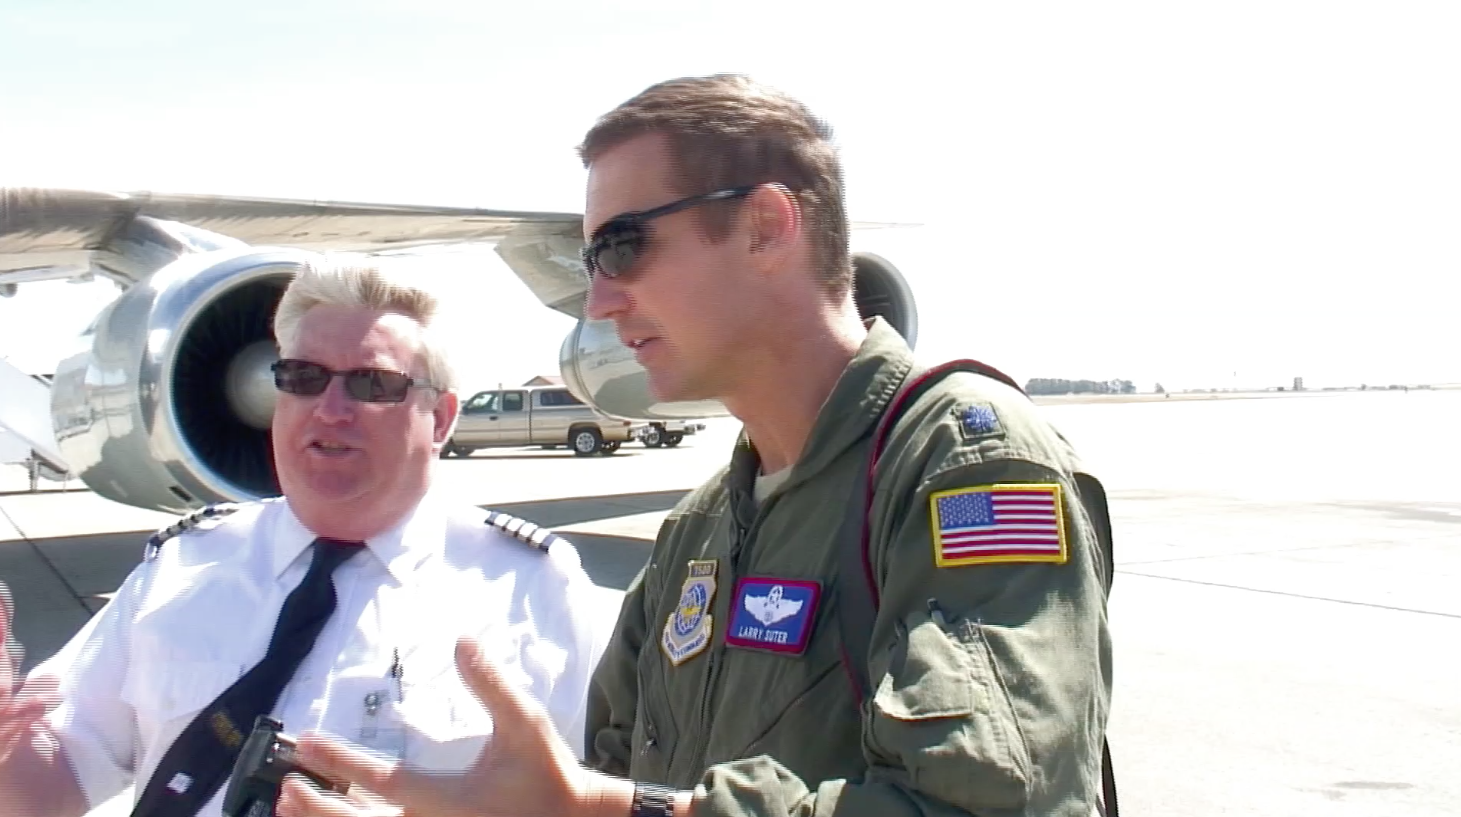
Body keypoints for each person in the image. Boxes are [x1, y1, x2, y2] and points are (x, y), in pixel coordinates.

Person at [274, 74, 1115, 817]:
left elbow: (988, 805)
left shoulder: (963, 464)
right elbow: (598, 779)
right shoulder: (698, 530)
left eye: (620, 247)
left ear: (765, 227)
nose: (597, 300)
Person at [0, 254, 606, 817]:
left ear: (441, 417)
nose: (331, 408)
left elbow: (593, 796)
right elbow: (57, 769)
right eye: (303, 377)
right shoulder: (181, 569)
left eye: (372, 384)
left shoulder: (531, 588)